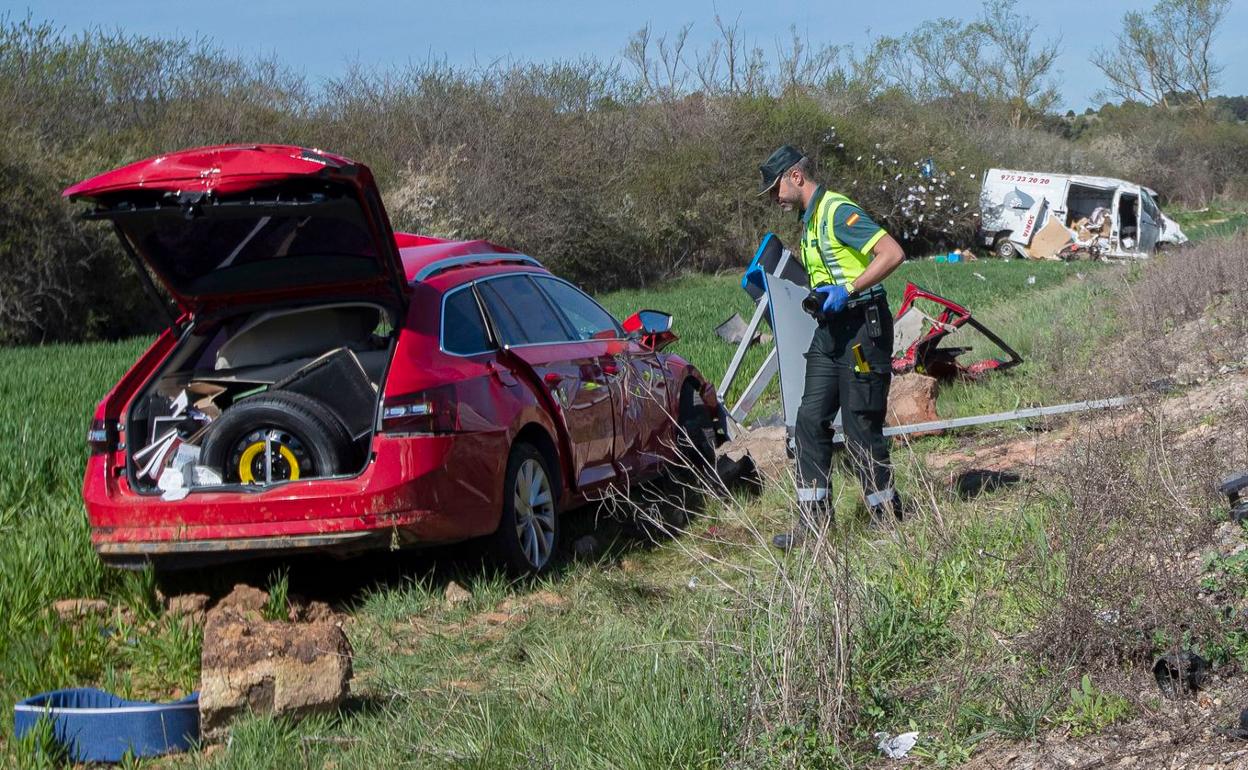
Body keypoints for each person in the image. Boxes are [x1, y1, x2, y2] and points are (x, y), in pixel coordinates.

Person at [758, 145, 906, 550]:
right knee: (809, 421)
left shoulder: (838, 211)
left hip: (861, 330)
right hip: (830, 332)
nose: (775, 198)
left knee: (860, 423)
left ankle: (887, 517)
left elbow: (892, 253)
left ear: (796, 177)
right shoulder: (809, 220)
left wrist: (848, 290)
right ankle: (815, 527)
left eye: (776, 188)